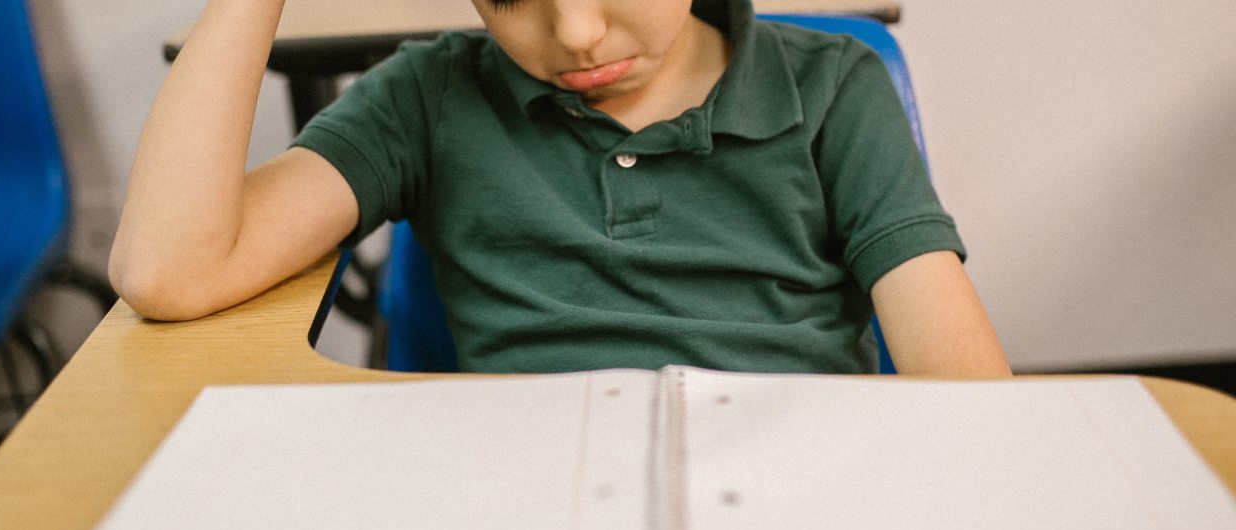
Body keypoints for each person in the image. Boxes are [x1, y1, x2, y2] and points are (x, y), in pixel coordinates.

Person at [109, 0, 1012, 377]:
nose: (577, 32)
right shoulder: (428, 98)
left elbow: (965, 391)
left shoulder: (834, 88)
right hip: (527, 518)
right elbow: (169, 270)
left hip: (794, 498)